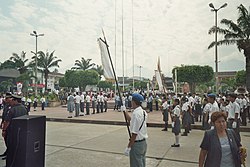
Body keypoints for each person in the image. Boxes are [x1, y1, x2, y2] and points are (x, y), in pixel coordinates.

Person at [123, 93, 148, 167]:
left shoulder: (136, 114)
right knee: (141, 163)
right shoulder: (143, 112)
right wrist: (124, 111)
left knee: (136, 164)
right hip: (143, 143)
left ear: (134, 102)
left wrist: (128, 147)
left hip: (137, 144)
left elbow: (134, 134)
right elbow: (132, 121)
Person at [2, 94, 28, 162]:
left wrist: (4, 130)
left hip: (11, 131)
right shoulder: (24, 108)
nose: (12, 101)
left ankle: (10, 161)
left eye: (13, 100)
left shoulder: (13, 109)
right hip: (21, 131)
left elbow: (7, 121)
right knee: (18, 146)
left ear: (16, 101)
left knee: (11, 146)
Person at [0, 93, 12, 159]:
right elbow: (4, 116)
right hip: (5, 124)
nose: (5, 99)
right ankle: (7, 151)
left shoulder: (12, 106)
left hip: (9, 126)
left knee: (9, 140)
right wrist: (1, 123)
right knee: (5, 139)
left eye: (7, 98)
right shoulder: (6, 106)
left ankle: (9, 153)